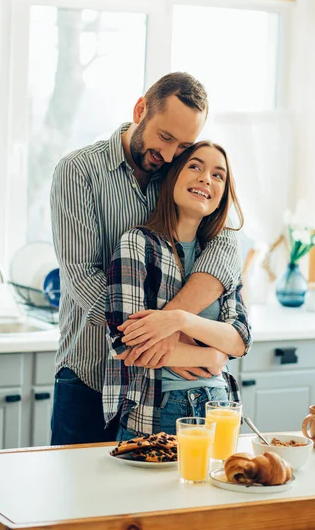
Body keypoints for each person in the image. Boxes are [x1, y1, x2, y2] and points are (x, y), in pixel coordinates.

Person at [50, 72, 241, 445]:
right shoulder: (78, 171)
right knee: (75, 497)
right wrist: (150, 345)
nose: (169, 155)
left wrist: (174, 325)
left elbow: (223, 242)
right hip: (88, 372)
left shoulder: (179, 172)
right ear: (140, 110)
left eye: (182, 146)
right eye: (165, 137)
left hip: (153, 393)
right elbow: (80, 276)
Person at [104, 141, 252, 439]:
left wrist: (180, 320)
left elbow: (239, 339)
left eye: (218, 175)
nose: (206, 178)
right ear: (173, 176)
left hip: (220, 406)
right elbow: (127, 344)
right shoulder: (138, 244)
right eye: (195, 166)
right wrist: (210, 357)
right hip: (157, 408)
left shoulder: (219, 255)